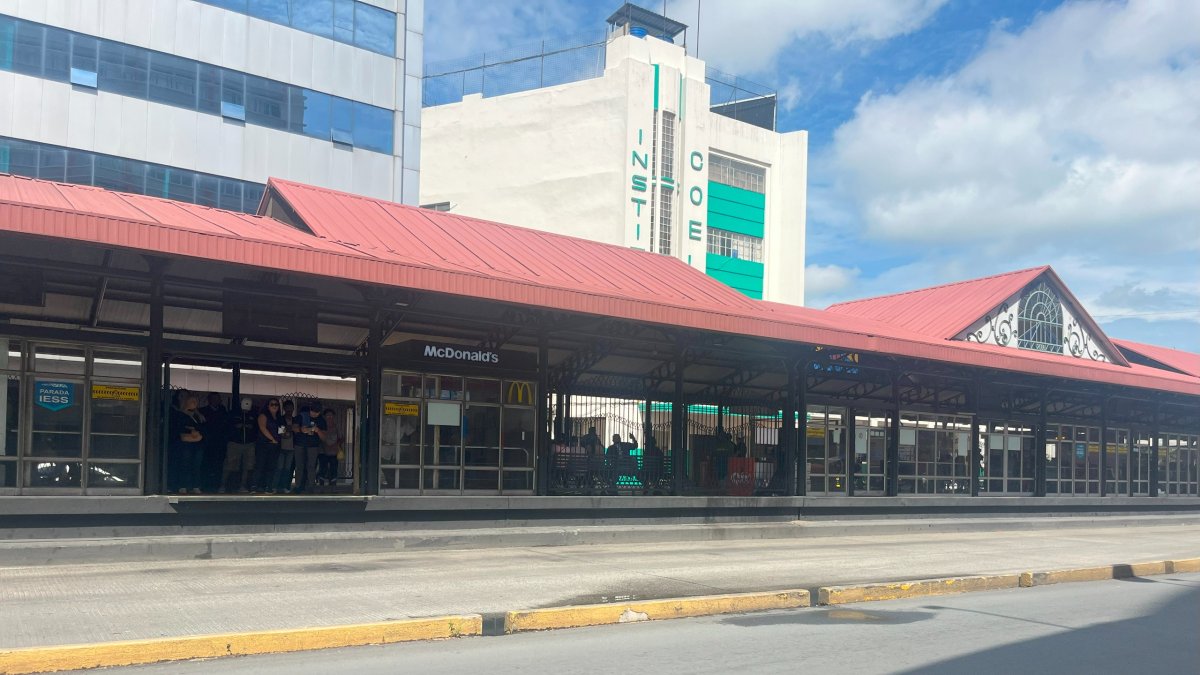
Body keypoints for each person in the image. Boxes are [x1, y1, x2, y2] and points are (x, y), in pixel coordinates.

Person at [168, 391, 205, 494]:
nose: (194, 403)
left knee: (196, 465)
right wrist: (190, 431)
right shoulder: (179, 414)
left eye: (196, 401)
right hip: (185, 445)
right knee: (185, 464)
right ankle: (182, 485)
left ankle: (196, 485)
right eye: (192, 401)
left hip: (198, 444)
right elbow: (180, 429)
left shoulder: (198, 415)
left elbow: (202, 428)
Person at [221, 398, 256, 493]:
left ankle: (242, 486)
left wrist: (250, 429)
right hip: (234, 443)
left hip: (249, 443)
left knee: (247, 465)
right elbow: (226, 426)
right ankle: (223, 485)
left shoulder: (253, 415)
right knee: (230, 464)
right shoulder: (233, 414)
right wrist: (235, 428)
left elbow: (256, 428)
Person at [251, 398, 284, 493]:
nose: (274, 406)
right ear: (268, 406)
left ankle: (268, 486)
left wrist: (283, 433)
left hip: (275, 446)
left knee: (272, 466)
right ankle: (254, 485)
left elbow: (281, 430)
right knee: (260, 465)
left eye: (276, 404)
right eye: (272, 404)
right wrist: (272, 439)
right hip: (263, 444)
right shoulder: (263, 415)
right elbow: (262, 428)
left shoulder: (279, 418)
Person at [198, 393, 228, 493]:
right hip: (208, 443)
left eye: (217, 399)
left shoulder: (223, 411)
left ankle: (217, 485)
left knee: (219, 465)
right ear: (209, 400)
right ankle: (205, 485)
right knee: (206, 464)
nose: (216, 401)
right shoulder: (203, 411)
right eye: (213, 399)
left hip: (220, 443)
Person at [291, 402, 322, 494]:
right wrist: (301, 429)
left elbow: (325, 437)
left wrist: (317, 430)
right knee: (300, 466)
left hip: (313, 446)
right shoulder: (300, 417)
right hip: (300, 445)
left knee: (311, 467)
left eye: (317, 411)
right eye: (312, 410)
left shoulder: (321, 420)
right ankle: (298, 486)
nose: (314, 413)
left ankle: (310, 487)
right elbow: (293, 427)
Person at [315, 408, 342, 491]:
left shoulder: (336, 426)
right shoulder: (321, 425)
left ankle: (333, 486)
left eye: (331, 415)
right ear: (324, 416)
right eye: (327, 415)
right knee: (323, 468)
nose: (329, 417)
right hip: (322, 451)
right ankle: (321, 485)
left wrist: (337, 444)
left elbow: (341, 437)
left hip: (333, 451)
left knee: (334, 468)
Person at [274, 400, 297, 493]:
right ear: (284, 409)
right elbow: (280, 432)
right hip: (281, 447)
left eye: (291, 409)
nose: (289, 411)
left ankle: (285, 486)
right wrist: (290, 428)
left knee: (288, 469)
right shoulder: (280, 419)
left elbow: (296, 431)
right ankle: (275, 486)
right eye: (287, 409)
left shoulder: (295, 420)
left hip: (291, 448)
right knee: (279, 468)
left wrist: (288, 428)